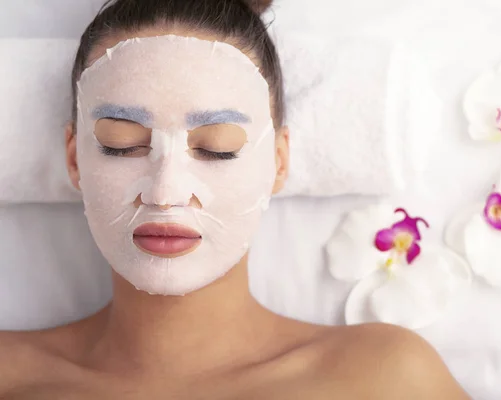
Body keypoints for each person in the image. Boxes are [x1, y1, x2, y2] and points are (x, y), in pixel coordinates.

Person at [0, 0, 470, 398]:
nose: (165, 193)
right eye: (122, 143)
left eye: (216, 148)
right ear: (75, 159)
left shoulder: (383, 379)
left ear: (279, 162)